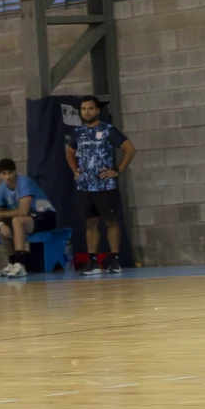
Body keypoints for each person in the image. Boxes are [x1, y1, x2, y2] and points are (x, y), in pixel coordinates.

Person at [65, 95, 136, 277]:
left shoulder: (108, 129)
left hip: (105, 185)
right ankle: (93, 261)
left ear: (97, 111)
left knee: (111, 221)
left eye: (90, 108)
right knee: (90, 223)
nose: (86, 112)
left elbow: (129, 148)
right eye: (83, 109)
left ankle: (114, 259)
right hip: (85, 186)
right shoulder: (78, 132)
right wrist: (75, 170)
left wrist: (117, 170)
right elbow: (70, 152)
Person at [0, 158, 56, 278]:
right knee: (0, 224)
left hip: (45, 216)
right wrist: (0, 224)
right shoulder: (2, 188)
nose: (7, 176)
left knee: (17, 220)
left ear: (15, 172)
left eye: (10, 172)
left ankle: (20, 263)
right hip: (30, 219)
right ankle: (12, 262)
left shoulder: (24, 183)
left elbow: (23, 211)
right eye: (4, 173)